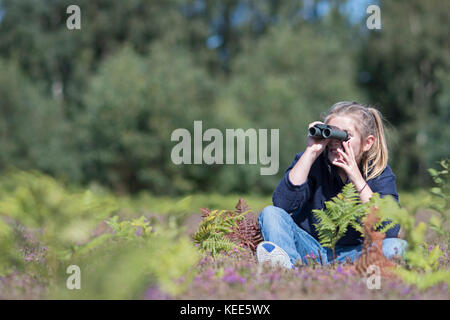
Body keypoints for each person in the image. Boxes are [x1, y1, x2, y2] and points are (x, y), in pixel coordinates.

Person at [256, 101, 408, 269]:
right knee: (270, 214)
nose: (335, 141)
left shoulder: (379, 173)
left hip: (355, 254)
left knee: (396, 247)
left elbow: (389, 230)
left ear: (367, 143)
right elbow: (282, 204)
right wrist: (311, 151)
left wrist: (356, 177)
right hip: (310, 249)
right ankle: (289, 270)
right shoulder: (312, 162)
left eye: (344, 136)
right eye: (330, 133)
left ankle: (353, 275)